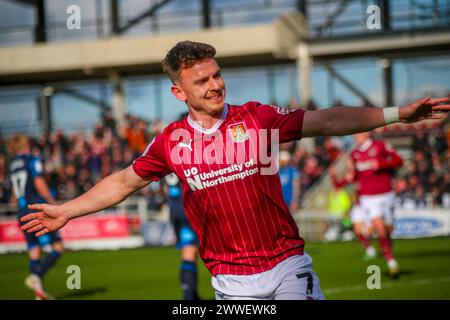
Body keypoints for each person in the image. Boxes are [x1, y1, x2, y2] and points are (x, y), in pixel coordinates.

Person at [20, 41, 450, 300]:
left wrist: (394, 113)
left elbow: (329, 120)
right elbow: (122, 182)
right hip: (230, 280)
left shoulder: (256, 118)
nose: (215, 85)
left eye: (217, 75)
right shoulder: (170, 142)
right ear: (178, 91)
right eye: (201, 81)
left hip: (285, 265)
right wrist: (67, 210)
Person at [7, 134, 64, 300]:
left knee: (34, 249)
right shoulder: (32, 160)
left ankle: (39, 293)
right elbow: (39, 182)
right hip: (36, 208)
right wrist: (52, 202)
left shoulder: (13, 166)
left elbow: (14, 194)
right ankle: (37, 276)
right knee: (57, 247)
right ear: (25, 145)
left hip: (21, 210)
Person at [349, 132, 404, 277]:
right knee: (379, 229)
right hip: (368, 198)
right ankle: (391, 262)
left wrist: (380, 164)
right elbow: (356, 175)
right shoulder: (354, 154)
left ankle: (388, 250)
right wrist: (352, 178)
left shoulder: (380, 146)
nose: (356, 135)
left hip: (386, 194)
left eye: (359, 132)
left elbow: (399, 160)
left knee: (388, 230)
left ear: (366, 133)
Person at [163, 172, 200, 300]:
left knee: (191, 253)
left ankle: (192, 294)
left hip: (176, 206)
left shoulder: (167, 154)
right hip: (187, 206)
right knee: (189, 252)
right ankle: (188, 298)